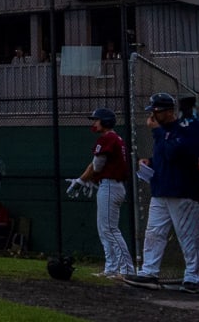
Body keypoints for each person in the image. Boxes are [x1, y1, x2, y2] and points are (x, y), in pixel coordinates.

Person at [122, 93, 199, 293]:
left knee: (188, 236)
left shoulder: (185, 129)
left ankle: (193, 277)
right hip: (162, 189)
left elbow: (175, 153)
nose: (153, 116)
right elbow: (164, 156)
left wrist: (157, 133)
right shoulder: (164, 133)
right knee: (154, 232)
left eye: (157, 111)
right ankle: (149, 272)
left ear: (170, 112)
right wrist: (150, 162)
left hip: (183, 191)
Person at [74, 108, 134, 280]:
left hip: (110, 185)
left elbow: (97, 165)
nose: (94, 123)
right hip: (111, 185)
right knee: (105, 229)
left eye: (97, 120)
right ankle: (111, 267)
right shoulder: (115, 138)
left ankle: (127, 269)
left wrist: (83, 180)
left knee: (110, 229)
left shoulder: (108, 138)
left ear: (105, 121)